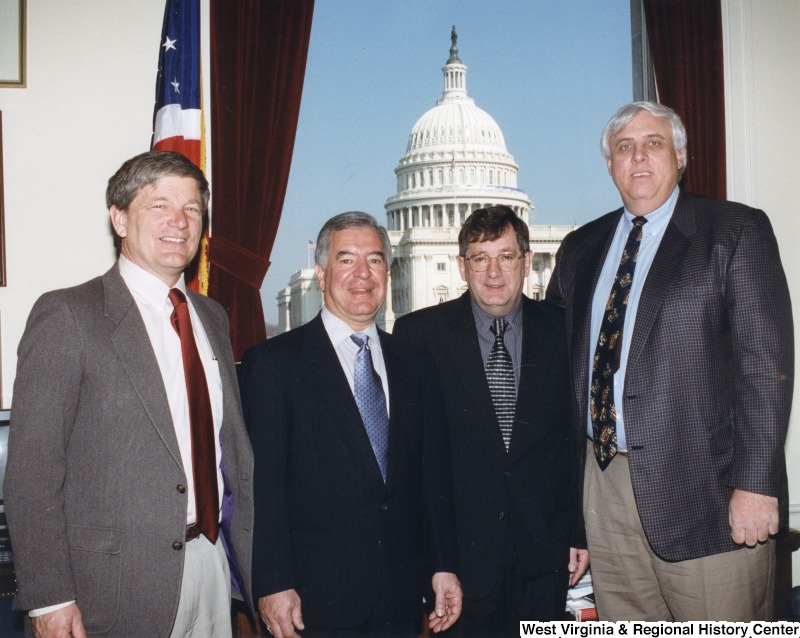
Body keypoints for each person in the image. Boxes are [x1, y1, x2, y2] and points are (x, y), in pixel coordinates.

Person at [546, 101, 794, 620]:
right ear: (610, 164)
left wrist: (756, 485)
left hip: (709, 489)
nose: (638, 158)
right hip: (604, 483)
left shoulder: (734, 231)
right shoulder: (580, 248)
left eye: (653, 144)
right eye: (623, 148)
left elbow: (763, 369)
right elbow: (557, 370)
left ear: (681, 156)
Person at [4, 151, 254, 637]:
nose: (179, 222)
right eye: (159, 205)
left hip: (211, 568)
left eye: (192, 209)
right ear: (119, 218)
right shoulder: (69, 315)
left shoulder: (212, 317)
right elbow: (32, 472)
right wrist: (49, 598)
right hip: (113, 588)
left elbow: (231, 455)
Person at [240, 212, 462, 638]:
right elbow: (261, 489)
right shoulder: (273, 365)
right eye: (346, 260)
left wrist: (443, 565)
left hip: (399, 597)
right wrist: (272, 583)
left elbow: (432, 481)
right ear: (321, 273)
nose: (363, 274)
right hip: (311, 600)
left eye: (376, 260)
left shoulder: (414, 363)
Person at [393, 206, 588, 634]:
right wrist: (435, 560)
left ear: (526, 260)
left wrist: (579, 532)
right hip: (459, 561)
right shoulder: (418, 336)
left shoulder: (565, 330)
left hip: (545, 555)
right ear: (462, 267)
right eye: (481, 258)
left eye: (506, 256)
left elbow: (575, 442)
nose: (494, 272)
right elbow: (414, 462)